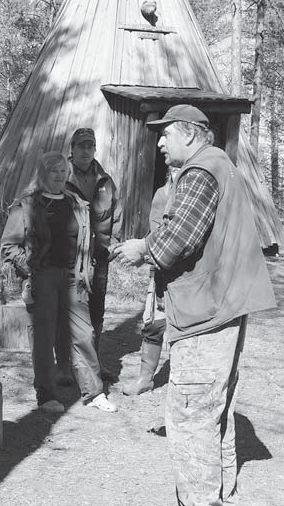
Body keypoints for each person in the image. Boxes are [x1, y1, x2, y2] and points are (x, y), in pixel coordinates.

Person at [112, 104, 276, 506]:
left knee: (191, 415)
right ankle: (223, 493)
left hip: (206, 313)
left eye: (166, 134)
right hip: (226, 306)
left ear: (189, 134)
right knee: (215, 410)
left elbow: (175, 242)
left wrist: (142, 248)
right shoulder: (221, 166)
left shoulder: (201, 171)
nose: (161, 143)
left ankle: (201, 500)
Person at [0, 151, 118, 414]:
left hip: (74, 277)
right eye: (53, 170)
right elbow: (9, 246)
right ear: (43, 173)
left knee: (84, 334)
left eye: (63, 171)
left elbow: (87, 240)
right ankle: (47, 394)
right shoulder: (27, 205)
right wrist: (29, 267)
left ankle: (94, 392)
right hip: (42, 278)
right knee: (43, 338)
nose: (59, 175)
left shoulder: (76, 203)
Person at [65, 128, 121, 382]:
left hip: (98, 255)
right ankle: (66, 366)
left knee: (97, 309)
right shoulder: (60, 175)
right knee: (68, 309)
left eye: (91, 146)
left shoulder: (105, 181)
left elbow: (117, 215)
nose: (86, 151)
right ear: (72, 149)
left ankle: (94, 363)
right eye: (81, 146)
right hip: (69, 255)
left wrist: (113, 244)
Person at [122, 167, 176, 396]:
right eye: (173, 168)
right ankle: (145, 378)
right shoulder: (163, 195)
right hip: (164, 269)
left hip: (191, 274)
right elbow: (157, 233)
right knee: (153, 325)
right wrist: (146, 256)